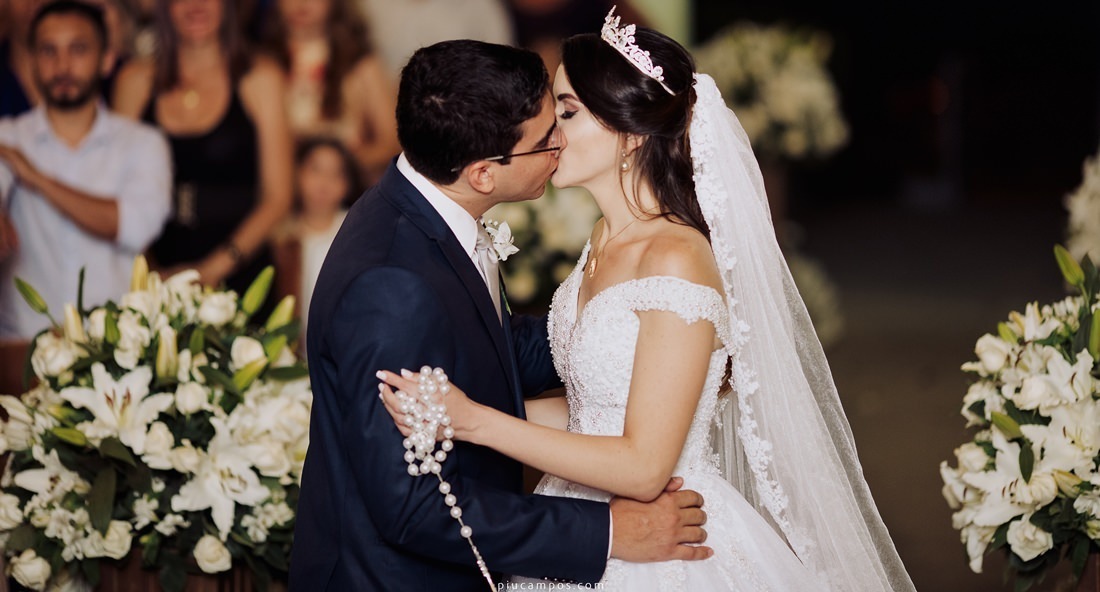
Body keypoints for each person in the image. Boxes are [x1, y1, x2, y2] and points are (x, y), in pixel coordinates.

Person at [379, 10, 918, 590]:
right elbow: (592, 410)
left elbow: (642, 467)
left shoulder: (676, 258)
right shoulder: (603, 238)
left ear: (631, 134)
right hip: (583, 515)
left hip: (664, 537)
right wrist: (448, 408)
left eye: (567, 112)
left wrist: (476, 421)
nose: (549, 132)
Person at [289, 39, 711, 591]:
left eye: (564, 115)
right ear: (484, 174)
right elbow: (411, 506)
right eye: (546, 137)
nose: (559, 143)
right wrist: (606, 533)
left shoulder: (422, 208)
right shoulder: (392, 284)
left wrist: (652, 342)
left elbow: (486, 347)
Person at [0, 0, 171, 340]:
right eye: (48, 50)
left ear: (107, 59)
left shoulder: (142, 143)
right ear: (32, 60)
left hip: (116, 347)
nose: (62, 65)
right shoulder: (8, 137)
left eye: (78, 49)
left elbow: (133, 227)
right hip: (23, 347)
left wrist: (37, 179)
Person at [112, 0, 292, 298]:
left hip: (240, 271)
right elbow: (117, 190)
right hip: (154, 277)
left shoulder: (261, 77)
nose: (195, 6)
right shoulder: (134, 81)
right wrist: (148, 271)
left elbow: (278, 198)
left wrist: (210, 271)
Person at [266, 0, 399, 184]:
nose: (301, 3)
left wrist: (337, 169)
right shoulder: (260, 63)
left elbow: (392, 143)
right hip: (276, 187)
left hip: (346, 192)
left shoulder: (360, 64)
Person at [271, 137, 359, 349]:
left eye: (335, 174)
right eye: (315, 170)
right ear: (297, 173)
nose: (323, 183)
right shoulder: (282, 236)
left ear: (347, 184)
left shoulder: (357, 231)